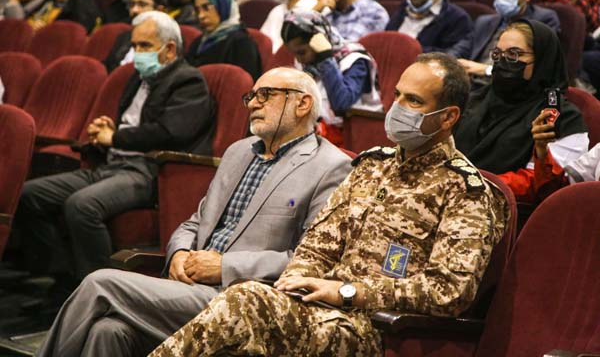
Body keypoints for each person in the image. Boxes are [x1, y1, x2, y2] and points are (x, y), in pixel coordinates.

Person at [149, 52, 508, 356]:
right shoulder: (372, 166)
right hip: (317, 309)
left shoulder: (467, 191)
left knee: (243, 303)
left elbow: (449, 291)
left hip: (373, 327)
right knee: (240, 321)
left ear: (448, 117)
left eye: (414, 102)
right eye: (397, 95)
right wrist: (295, 283)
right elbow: (317, 244)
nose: (398, 107)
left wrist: (349, 293)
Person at [36, 67, 352, 357]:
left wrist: (225, 267)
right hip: (190, 286)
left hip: (244, 299)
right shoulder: (238, 152)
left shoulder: (331, 167)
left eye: (266, 94)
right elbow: (197, 221)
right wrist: (179, 252)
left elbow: (312, 261)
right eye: (251, 96)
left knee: (99, 284)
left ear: (302, 104)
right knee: (108, 330)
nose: (253, 104)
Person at [14, 11, 216, 309]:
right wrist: (106, 132)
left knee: (82, 205)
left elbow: (170, 131)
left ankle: (104, 296)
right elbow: (133, 125)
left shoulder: (188, 81)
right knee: (29, 195)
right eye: (135, 46)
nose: (137, 54)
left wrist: (116, 136)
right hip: (110, 165)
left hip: (147, 171)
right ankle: (65, 277)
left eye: (145, 46)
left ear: (170, 49)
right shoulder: (138, 79)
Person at [454, 19, 588, 202]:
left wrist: (471, 184)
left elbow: (543, 186)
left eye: (514, 54)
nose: (502, 62)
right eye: (497, 54)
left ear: (542, 60)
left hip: (502, 205)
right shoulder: (476, 99)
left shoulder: (561, 117)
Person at [281, 9, 381, 146]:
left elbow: (341, 105)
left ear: (320, 39)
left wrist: (326, 58)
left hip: (354, 134)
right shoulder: (307, 62)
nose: (299, 59)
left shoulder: (355, 59)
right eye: (295, 54)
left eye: (302, 52)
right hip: (317, 133)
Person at [449, 0, 561, 83]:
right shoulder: (484, 21)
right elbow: (460, 49)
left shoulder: (543, 20)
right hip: (470, 84)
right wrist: (443, 62)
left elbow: (538, 68)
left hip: (510, 87)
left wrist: (486, 70)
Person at [186, 0, 262, 81]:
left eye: (206, 8)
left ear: (223, 5)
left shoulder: (241, 43)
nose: (201, 16)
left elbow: (246, 84)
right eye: (197, 10)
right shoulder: (199, 42)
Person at [104, 0, 168, 72]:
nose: (134, 10)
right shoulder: (124, 37)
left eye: (142, 4)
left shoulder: (167, 41)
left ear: (159, 10)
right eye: (132, 4)